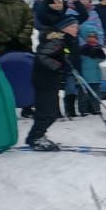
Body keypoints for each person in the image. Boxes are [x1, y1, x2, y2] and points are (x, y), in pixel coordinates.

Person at [24, 14, 79, 150]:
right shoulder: (56, 40)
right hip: (44, 80)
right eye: (72, 26)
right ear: (63, 28)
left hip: (50, 80)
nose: (75, 29)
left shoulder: (63, 40)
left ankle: (38, 135)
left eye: (76, 26)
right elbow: (42, 56)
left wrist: (65, 62)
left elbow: (59, 55)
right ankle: (35, 138)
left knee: (50, 111)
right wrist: (60, 65)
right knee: (47, 112)